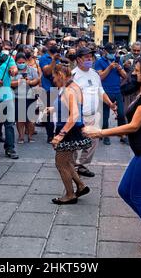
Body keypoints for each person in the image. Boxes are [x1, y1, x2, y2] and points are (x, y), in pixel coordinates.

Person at [84, 55, 141, 257]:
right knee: (125, 191)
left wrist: (100, 132)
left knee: (137, 195)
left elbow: (134, 127)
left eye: (137, 69)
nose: (133, 71)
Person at [48, 64, 92, 205]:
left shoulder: (68, 90)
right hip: (73, 130)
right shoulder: (73, 86)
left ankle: (69, 195)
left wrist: (60, 135)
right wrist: (52, 109)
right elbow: (68, 107)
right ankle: (80, 185)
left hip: (68, 131)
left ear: (60, 75)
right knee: (66, 162)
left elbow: (74, 115)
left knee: (60, 163)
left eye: (54, 76)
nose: (53, 80)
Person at [73, 47, 117, 178]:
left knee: (93, 141)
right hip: (78, 116)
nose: (89, 59)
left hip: (93, 115)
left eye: (90, 57)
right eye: (86, 57)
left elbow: (100, 91)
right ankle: (73, 167)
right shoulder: (73, 75)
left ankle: (82, 165)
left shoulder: (94, 73)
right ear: (78, 59)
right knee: (75, 143)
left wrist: (110, 103)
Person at [94, 42, 127, 146]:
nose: (112, 54)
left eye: (113, 52)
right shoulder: (99, 62)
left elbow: (125, 76)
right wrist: (109, 67)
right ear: (105, 51)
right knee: (105, 116)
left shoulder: (118, 60)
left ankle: (122, 134)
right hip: (105, 92)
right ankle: (105, 135)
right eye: (110, 52)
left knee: (121, 114)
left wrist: (119, 69)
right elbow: (100, 77)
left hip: (117, 91)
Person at [11, 53, 40, 144]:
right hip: (17, 97)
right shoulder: (12, 71)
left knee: (30, 118)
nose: (21, 64)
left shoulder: (32, 70)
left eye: (23, 62)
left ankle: (30, 136)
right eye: (19, 62)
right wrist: (18, 82)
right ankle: (21, 136)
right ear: (15, 62)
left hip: (30, 96)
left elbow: (37, 80)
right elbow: (9, 83)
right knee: (20, 118)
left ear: (26, 62)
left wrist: (30, 82)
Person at [39, 39, 60, 143]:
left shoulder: (59, 58)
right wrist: (53, 60)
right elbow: (47, 72)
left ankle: (59, 133)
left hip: (59, 88)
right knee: (49, 113)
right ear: (47, 46)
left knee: (60, 112)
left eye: (55, 44)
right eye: (51, 44)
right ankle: (50, 135)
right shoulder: (43, 58)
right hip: (48, 89)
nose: (54, 45)